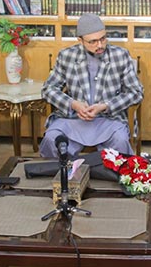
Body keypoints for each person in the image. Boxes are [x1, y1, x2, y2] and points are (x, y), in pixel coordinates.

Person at [40, 13, 144, 158]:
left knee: (120, 142)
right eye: (93, 42)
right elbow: (48, 89)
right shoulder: (66, 56)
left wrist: (105, 106)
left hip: (109, 119)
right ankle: (63, 178)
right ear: (80, 41)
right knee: (52, 140)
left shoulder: (120, 55)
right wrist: (73, 104)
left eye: (103, 39)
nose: (100, 45)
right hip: (73, 119)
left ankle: (112, 178)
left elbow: (136, 92)